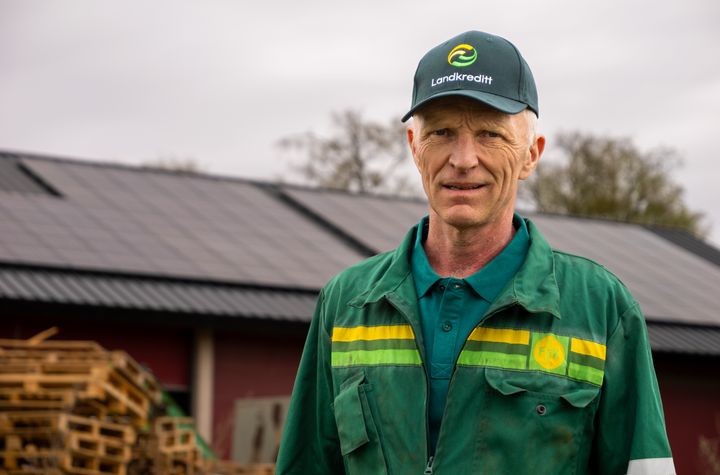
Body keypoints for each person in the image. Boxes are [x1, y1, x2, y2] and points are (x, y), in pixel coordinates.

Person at [275, 30, 675, 475]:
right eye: (442, 132)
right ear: (414, 148)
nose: (463, 159)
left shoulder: (602, 309)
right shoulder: (346, 305)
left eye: (490, 134)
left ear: (530, 155)